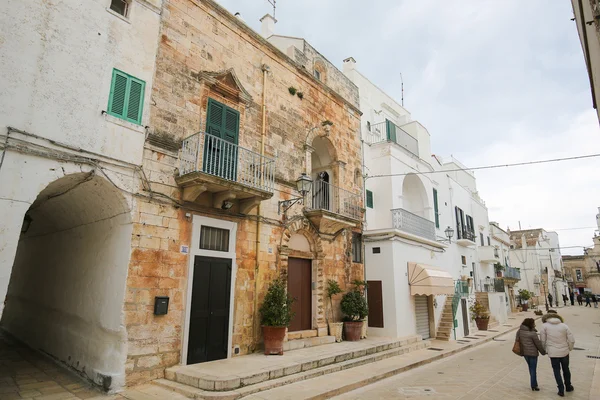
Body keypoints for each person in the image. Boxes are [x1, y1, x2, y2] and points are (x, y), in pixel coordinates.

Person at [540, 310, 575, 397]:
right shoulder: (564, 326)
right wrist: (569, 348)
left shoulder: (544, 326)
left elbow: (543, 340)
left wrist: (544, 350)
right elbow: (571, 339)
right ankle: (568, 386)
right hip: (564, 352)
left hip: (553, 353)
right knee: (566, 369)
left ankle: (561, 390)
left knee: (556, 371)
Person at [517, 318, 546, 391]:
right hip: (533, 354)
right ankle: (534, 385)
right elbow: (538, 344)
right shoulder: (533, 333)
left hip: (525, 353)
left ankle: (533, 384)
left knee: (531, 368)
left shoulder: (519, 331)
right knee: (533, 369)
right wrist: (543, 352)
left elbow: (517, 340)